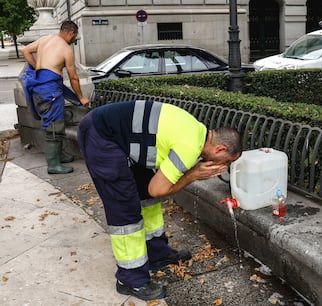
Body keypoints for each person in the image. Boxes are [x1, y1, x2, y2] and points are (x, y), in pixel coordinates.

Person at [77, 99, 242, 301]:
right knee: (125, 211)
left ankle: (156, 253)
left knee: (145, 197)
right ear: (220, 149)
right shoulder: (190, 146)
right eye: (226, 161)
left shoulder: (198, 130)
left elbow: (151, 189)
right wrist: (193, 175)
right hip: (101, 136)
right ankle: (130, 279)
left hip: (118, 135)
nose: (223, 166)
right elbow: (158, 189)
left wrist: (193, 171)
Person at [21, 20, 90, 174]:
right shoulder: (66, 49)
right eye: (75, 36)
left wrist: (38, 68)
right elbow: (73, 78)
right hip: (50, 91)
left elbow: (25, 50)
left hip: (40, 87)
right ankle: (53, 165)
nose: (74, 40)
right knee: (54, 127)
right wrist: (81, 97)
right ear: (71, 33)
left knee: (55, 123)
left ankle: (58, 156)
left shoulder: (45, 39)